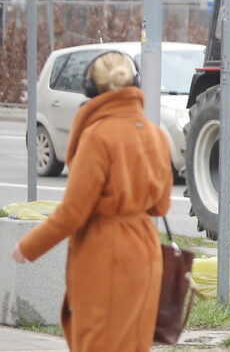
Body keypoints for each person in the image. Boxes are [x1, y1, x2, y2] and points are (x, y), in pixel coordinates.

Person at [11, 51, 172, 351]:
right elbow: (161, 206)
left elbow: (74, 211)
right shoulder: (155, 135)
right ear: (134, 83)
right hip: (145, 253)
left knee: (97, 342)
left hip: (104, 252)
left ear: (90, 89)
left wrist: (29, 245)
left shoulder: (98, 136)